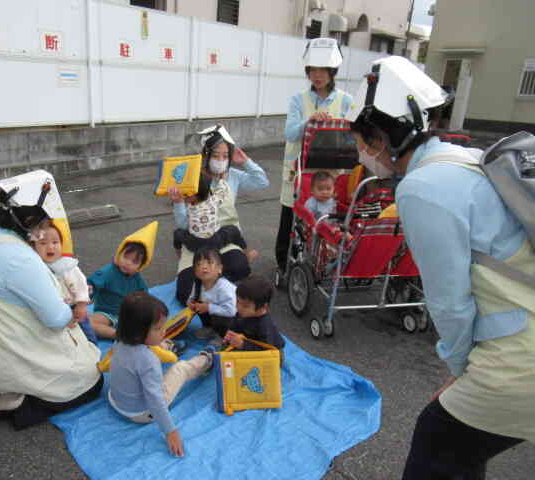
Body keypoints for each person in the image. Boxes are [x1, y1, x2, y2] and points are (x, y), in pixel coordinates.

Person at [346, 56, 533, 479]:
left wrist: (459, 372)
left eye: (364, 141)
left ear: (382, 137)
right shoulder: (463, 157)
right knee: (459, 452)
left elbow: (450, 303)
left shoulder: (422, 188)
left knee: (439, 442)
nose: (362, 153)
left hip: (521, 358)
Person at [0, 170, 103, 429]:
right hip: (6, 357)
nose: (42, 232)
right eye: (41, 225)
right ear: (29, 218)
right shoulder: (18, 257)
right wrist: (72, 307)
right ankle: (12, 401)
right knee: (91, 381)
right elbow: (57, 319)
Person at [275, 37, 354, 282]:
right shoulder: (299, 99)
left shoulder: (346, 100)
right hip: (299, 172)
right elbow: (289, 133)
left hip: (330, 176)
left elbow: (354, 133)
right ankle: (284, 265)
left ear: (332, 72)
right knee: (290, 219)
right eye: (313, 70)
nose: (317, 75)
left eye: (323, 70)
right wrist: (309, 121)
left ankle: (322, 265)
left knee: (327, 220)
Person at [108, 291, 216, 457]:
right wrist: (170, 431)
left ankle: (167, 347)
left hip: (116, 401)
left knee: (153, 348)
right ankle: (206, 360)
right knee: (180, 369)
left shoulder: (120, 340)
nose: (164, 331)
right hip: (141, 413)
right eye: (158, 328)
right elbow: (155, 399)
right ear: (138, 332)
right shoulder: (149, 361)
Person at [170, 124, 269, 305]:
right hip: (197, 242)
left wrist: (245, 161)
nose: (221, 160)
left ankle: (211, 284)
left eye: (225, 156)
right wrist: (178, 203)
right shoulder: (192, 179)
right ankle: (214, 284)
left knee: (240, 267)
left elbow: (262, 181)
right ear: (205, 155)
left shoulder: (233, 176)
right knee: (184, 293)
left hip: (226, 239)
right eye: (215, 155)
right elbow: (183, 224)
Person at [32, 220, 98, 345]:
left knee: (85, 333)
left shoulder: (66, 266)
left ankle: (93, 348)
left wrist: (82, 305)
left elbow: (81, 285)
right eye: (43, 243)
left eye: (55, 242)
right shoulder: (38, 267)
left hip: (74, 307)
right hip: (56, 310)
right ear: (34, 247)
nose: (50, 247)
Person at [172, 170, 248, 254]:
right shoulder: (214, 200)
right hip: (216, 240)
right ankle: (245, 251)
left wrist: (178, 203)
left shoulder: (193, 211)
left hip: (195, 244)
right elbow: (221, 191)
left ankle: (178, 251)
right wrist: (222, 179)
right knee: (234, 229)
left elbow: (182, 224)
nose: (182, 195)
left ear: (194, 196)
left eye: (185, 193)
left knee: (178, 233)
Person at [87, 241, 148, 339]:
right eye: (126, 257)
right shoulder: (108, 271)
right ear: (119, 254)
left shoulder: (137, 279)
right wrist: (87, 295)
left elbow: (144, 297)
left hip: (127, 316)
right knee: (86, 322)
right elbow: (92, 284)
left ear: (140, 267)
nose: (128, 263)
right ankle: (119, 335)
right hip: (106, 314)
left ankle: (127, 334)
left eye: (134, 261)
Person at [223, 275, 285, 364]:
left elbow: (266, 351)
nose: (238, 307)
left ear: (263, 307)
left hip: (272, 353)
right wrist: (230, 334)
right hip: (250, 342)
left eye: (245, 306)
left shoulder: (264, 325)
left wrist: (243, 345)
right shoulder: (242, 313)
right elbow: (235, 325)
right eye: (237, 301)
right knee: (227, 352)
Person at [186, 247, 237, 344]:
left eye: (209, 263)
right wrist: (190, 302)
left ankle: (223, 335)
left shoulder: (224, 287)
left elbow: (231, 311)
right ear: (195, 271)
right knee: (198, 303)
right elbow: (192, 297)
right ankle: (209, 327)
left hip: (231, 317)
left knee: (223, 320)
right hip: (212, 310)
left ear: (219, 269)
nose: (204, 267)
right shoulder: (198, 283)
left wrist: (209, 308)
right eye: (199, 264)